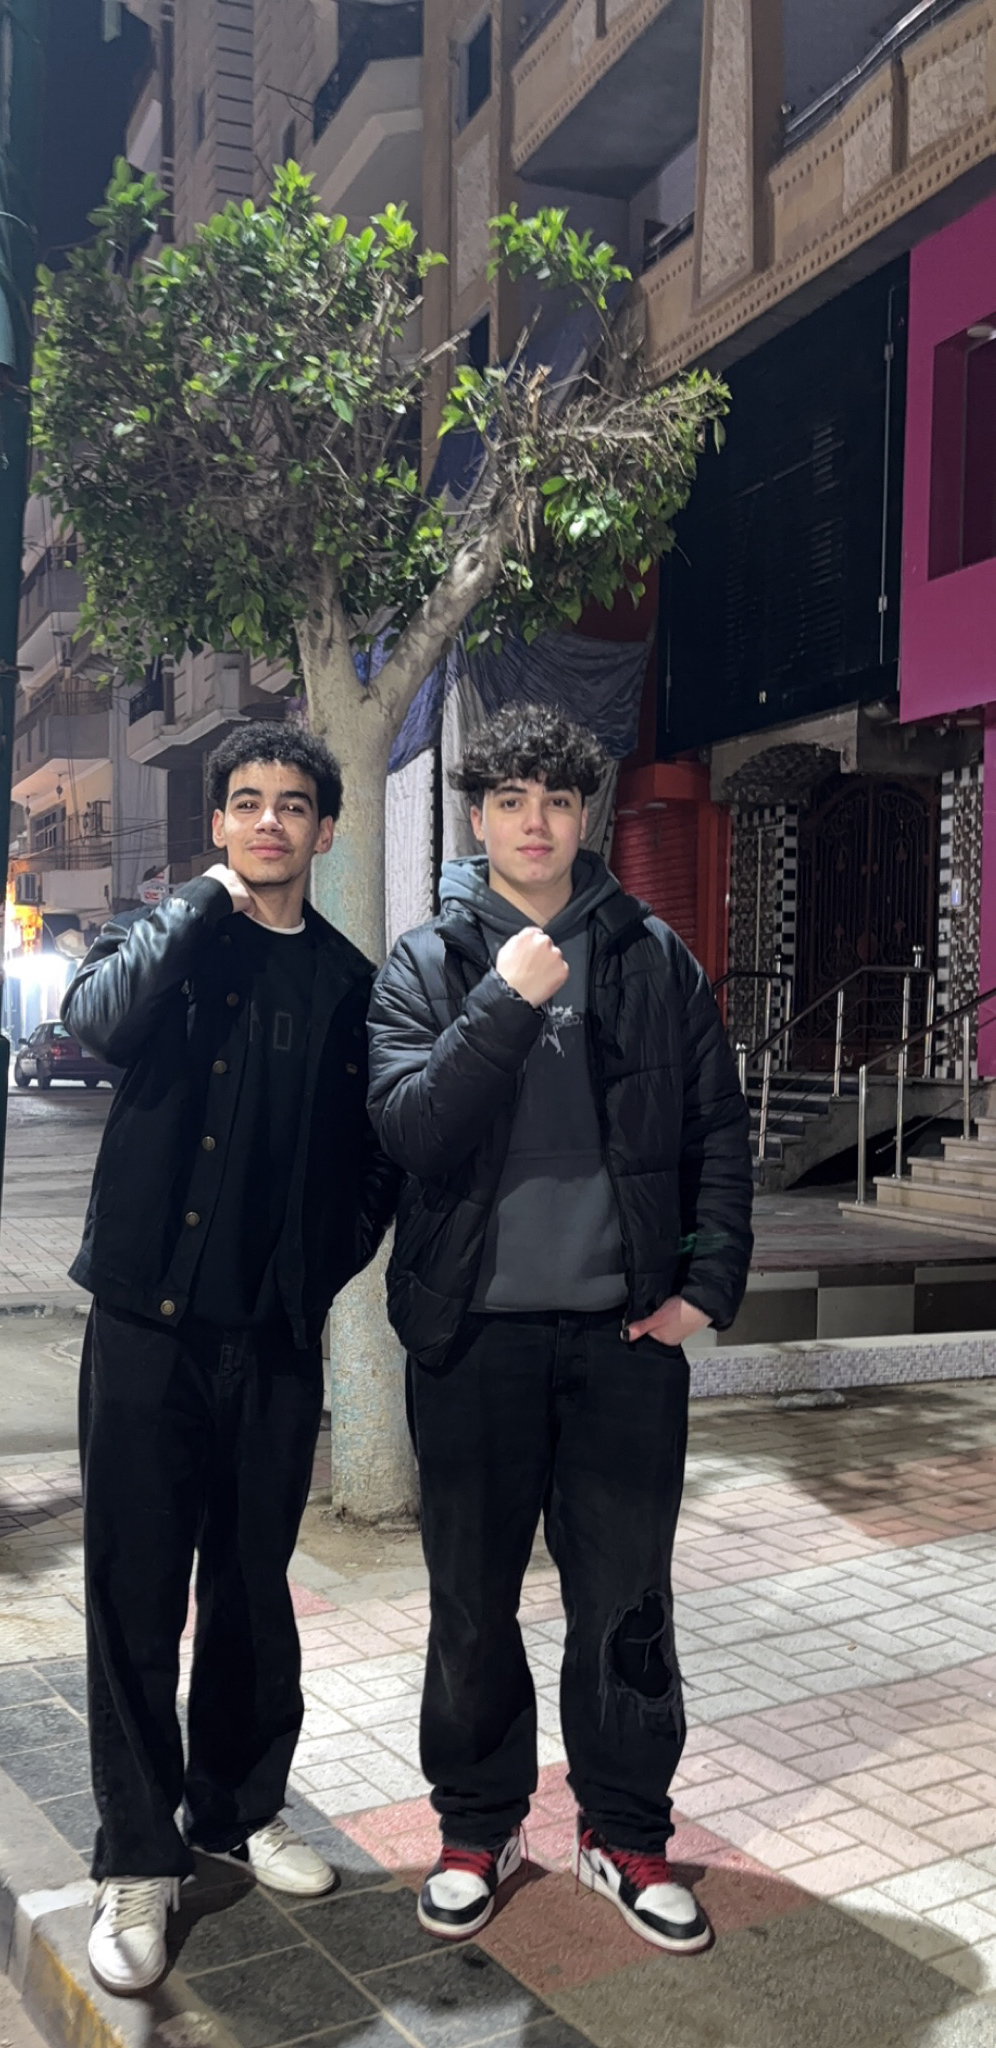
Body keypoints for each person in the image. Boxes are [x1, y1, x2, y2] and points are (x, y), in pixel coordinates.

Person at [368, 702, 752, 1956]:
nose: (536, 822)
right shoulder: (428, 963)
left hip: (622, 1346)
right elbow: (413, 1130)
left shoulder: (652, 956)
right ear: (478, 817)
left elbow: (715, 1131)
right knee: (472, 1603)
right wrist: (506, 1000)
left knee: (626, 1602)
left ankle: (625, 1833)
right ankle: (479, 1827)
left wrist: (705, 1285)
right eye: (511, 800)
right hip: (473, 1341)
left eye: (559, 800)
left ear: (586, 816)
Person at [63, 721, 400, 1995]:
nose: (269, 821)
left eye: (292, 805)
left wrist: (311, 1275)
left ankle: (239, 1809)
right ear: (217, 825)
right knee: (136, 1594)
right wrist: (198, 905)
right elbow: (97, 1023)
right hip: (144, 1332)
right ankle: (137, 1859)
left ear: (326, 828)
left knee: (253, 1590)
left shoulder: (351, 984)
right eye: (246, 803)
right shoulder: (166, 940)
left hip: (270, 1341)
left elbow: (377, 1161)